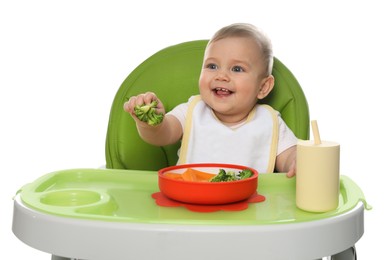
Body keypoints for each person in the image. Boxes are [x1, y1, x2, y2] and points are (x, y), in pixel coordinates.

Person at [123, 23, 297, 177]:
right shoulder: (191, 111)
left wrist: (297, 162)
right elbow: (163, 134)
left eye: (237, 69)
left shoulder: (270, 122)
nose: (221, 75)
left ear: (263, 87)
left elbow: (289, 156)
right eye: (212, 66)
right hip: (190, 204)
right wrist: (151, 123)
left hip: (251, 210)